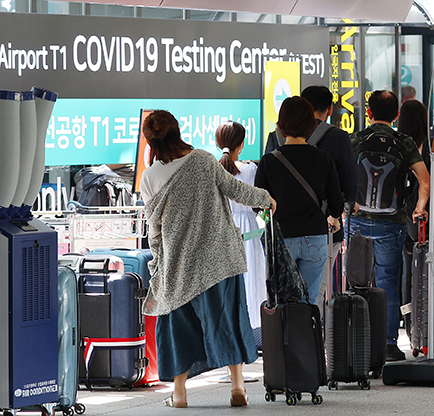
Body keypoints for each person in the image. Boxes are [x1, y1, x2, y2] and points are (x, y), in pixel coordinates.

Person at [139, 110, 275, 408]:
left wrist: (156, 268)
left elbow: (155, 233)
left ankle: (179, 393)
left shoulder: (149, 178)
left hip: (179, 267)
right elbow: (236, 189)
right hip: (221, 260)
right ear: (177, 131)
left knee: (178, 328)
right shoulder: (202, 159)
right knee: (228, 320)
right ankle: (237, 386)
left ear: (150, 141)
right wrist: (266, 199)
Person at [349, 90, 430, 362]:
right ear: (396, 115)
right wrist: (418, 208)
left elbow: (339, 177)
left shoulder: (356, 139)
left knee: (357, 284)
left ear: (369, 114)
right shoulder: (404, 142)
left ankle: (358, 345)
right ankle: (388, 345)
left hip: (358, 222)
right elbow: (425, 181)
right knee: (387, 285)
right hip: (392, 224)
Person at [255, 96, 343, 303]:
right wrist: (334, 218)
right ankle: (305, 335)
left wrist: (268, 225)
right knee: (309, 303)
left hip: (281, 239)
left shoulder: (269, 161)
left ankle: (284, 336)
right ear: (311, 126)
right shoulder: (323, 159)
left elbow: (258, 205)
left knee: (281, 302)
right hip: (316, 239)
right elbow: (336, 203)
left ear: (281, 126)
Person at [300, 85, 358, 307]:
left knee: (287, 294)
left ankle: (286, 341)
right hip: (324, 227)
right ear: (330, 109)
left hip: (285, 229)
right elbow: (351, 188)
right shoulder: (338, 138)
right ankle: (313, 340)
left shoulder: (277, 137)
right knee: (316, 293)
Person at [216, 121, 267, 343]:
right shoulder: (250, 170)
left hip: (223, 231)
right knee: (252, 283)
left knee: (228, 290)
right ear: (242, 144)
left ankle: (230, 341)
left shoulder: (213, 171)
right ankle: (252, 338)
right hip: (248, 230)